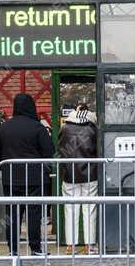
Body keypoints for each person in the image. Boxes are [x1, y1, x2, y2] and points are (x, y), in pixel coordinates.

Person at [0, 94, 53, 257]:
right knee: (33, 213)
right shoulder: (37, 127)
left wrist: (5, 167)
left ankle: (13, 250)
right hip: (34, 177)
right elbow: (49, 151)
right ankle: (35, 248)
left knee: (12, 214)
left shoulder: (4, 127)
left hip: (10, 177)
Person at [57, 104, 98, 252]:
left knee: (71, 209)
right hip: (90, 174)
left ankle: (71, 245)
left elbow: (60, 149)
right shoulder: (93, 128)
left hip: (69, 174)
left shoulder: (65, 128)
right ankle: (89, 245)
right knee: (89, 209)